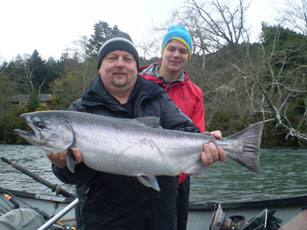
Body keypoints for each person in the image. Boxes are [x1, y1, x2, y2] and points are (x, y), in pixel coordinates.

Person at [47, 31, 226, 230]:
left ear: (135, 66)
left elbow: (186, 129)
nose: (120, 64)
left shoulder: (158, 99)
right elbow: (66, 176)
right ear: (100, 67)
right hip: (103, 222)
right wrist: (65, 164)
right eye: (112, 58)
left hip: (161, 221)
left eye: (127, 58)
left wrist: (208, 143)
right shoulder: (81, 110)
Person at [139, 25, 204, 230]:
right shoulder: (137, 81)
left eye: (182, 51)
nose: (176, 55)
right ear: (163, 51)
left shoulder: (195, 93)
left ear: (188, 56)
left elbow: (197, 135)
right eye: (171, 49)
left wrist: (180, 174)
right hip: (138, 174)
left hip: (177, 177)